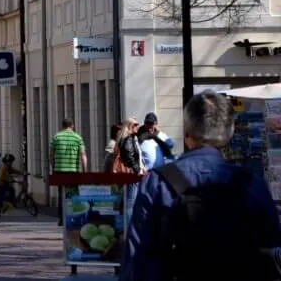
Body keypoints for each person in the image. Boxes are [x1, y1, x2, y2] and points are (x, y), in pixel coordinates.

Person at [121, 92, 281, 281]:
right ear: (230, 133)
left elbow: (137, 256)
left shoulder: (159, 182)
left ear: (187, 132)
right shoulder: (250, 183)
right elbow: (272, 244)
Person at [49, 118, 87, 226]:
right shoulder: (78, 137)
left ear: (62, 125)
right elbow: (83, 156)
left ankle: (61, 218)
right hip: (74, 171)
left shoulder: (56, 137)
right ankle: (73, 217)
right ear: (72, 125)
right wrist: (85, 171)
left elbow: (51, 155)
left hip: (60, 170)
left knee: (62, 194)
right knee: (74, 194)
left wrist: (53, 167)